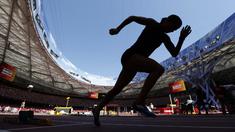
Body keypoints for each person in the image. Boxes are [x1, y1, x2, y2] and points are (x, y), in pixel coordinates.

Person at [92, 15, 192, 126]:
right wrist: (118, 29)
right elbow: (132, 18)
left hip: (134, 62)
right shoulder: (152, 23)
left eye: (175, 30)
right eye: (173, 27)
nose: (173, 31)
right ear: (167, 21)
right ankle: (139, 101)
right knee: (158, 69)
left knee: (117, 89)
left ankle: (98, 109)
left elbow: (174, 53)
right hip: (131, 55)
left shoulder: (165, 37)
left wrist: (181, 39)